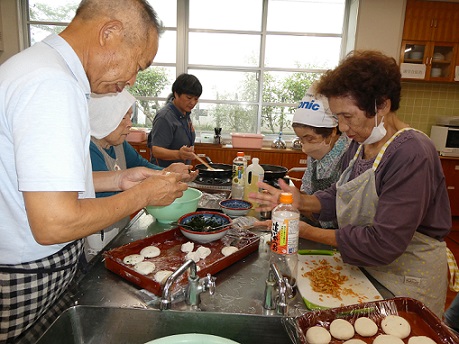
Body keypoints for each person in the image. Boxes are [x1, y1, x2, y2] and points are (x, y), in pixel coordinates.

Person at [0, 1, 188, 342]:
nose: (130, 80)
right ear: (110, 34)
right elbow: (54, 221)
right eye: (137, 66)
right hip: (26, 274)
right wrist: (143, 194)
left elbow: (35, 185)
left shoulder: (38, 68)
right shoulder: (52, 83)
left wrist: (118, 179)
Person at [250, 50, 452, 318]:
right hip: (365, 270)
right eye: (337, 118)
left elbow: (383, 243)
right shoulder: (360, 144)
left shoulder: (411, 152)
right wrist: (302, 202)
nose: (343, 128)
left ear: (382, 106)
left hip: (406, 280)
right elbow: (341, 195)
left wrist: (304, 231)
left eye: (348, 116)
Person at [86, 90, 198, 260]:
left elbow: (141, 165)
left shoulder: (118, 143)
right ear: (103, 116)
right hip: (99, 235)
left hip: (119, 228)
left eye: (130, 117)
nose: (129, 125)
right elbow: (106, 196)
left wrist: (168, 173)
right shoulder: (89, 149)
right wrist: (151, 189)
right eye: (123, 118)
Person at [292, 83, 350, 228]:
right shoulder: (316, 152)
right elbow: (307, 189)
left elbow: (343, 211)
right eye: (301, 139)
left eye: (309, 138)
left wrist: (301, 204)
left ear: (332, 132)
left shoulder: (350, 157)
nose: (305, 146)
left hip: (337, 234)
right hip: (314, 224)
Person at [148, 73, 202, 167]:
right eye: (189, 98)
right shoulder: (165, 117)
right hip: (164, 174)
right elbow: (156, 150)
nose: (193, 103)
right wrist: (179, 154)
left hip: (180, 173)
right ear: (176, 94)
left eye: (196, 99)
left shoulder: (185, 114)